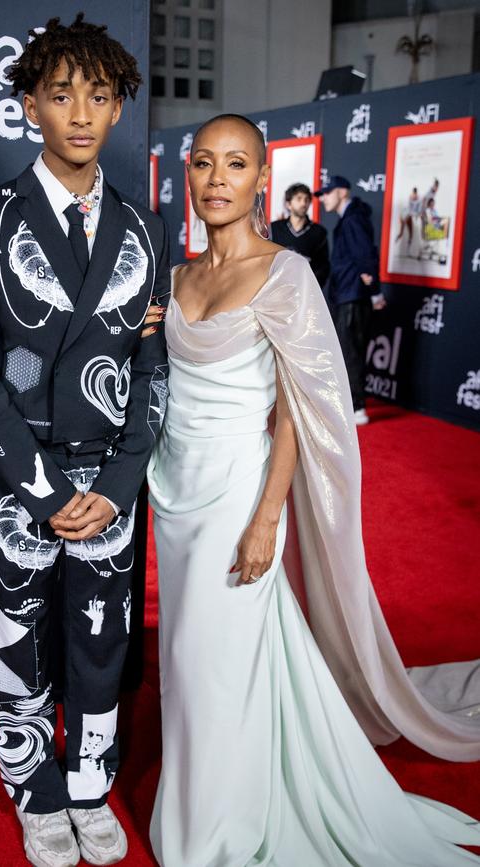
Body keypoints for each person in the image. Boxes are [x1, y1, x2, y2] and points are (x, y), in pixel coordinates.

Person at [145, 113, 480, 867]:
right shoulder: (175, 277)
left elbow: (300, 406)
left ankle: (216, 826)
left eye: (236, 164)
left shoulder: (285, 272)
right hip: (175, 488)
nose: (217, 179)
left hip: (238, 488)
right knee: (193, 658)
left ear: (263, 178)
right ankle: (215, 792)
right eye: (204, 163)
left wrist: (269, 515)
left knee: (214, 654)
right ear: (187, 176)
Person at [0, 15, 169, 867]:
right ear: (29, 103)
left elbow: (153, 373)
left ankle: (90, 785)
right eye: (62, 93)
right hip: (17, 483)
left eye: (99, 96)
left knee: (102, 640)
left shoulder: (145, 231)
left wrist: (116, 482)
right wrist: (42, 487)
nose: (80, 112)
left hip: (110, 482)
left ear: (118, 111)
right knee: (21, 641)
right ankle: (36, 792)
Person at [314, 175, 385, 426]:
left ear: (342, 192)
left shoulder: (354, 218)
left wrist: (374, 291)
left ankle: (357, 407)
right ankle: (350, 403)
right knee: (344, 350)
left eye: (327, 193)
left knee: (350, 352)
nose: (323, 198)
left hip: (352, 295)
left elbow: (366, 257)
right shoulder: (349, 218)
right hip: (344, 293)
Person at [270, 182, 330, 288]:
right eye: (299, 199)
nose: (303, 203)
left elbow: (322, 267)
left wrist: (311, 288)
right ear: (288, 204)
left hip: (305, 292)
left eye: (307, 200)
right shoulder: (274, 228)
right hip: (277, 290)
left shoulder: (319, 232)